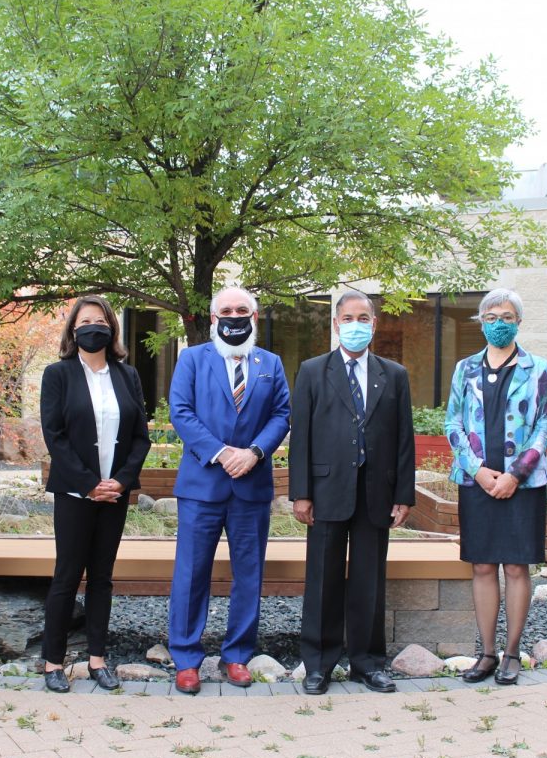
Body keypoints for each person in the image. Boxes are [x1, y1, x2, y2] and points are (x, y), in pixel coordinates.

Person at [289, 289, 416, 694]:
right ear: (335, 324)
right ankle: (319, 664)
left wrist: (405, 494)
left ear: (374, 324)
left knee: (368, 579)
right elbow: (301, 437)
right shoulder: (312, 370)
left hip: (376, 491)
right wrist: (301, 493)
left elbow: (403, 439)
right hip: (327, 490)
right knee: (322, 578)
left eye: (364, 318)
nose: (356, 325)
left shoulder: (393, 374)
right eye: (348, 318)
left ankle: (366, 662)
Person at [167, 287, 291, 694]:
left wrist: (254, 452)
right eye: (226, 310)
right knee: (191, 573)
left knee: (249, 575)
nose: (234, 315)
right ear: (214, 316)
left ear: (254, 317)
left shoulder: (270, 363)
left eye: (242, 309)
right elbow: (180, 412)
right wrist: (221, 453)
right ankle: (186, 658)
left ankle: (237, 655)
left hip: (251, 486)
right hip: (203, 484)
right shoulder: (192, 359)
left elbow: (281, 414)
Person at [38, 296, 151, 693]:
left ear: (111, 329)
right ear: (73, 329)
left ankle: (97, 660)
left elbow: (141, 437)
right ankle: (53, 663)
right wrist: (89, 484)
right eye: (85, 321)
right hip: (75, 492)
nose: (93, 327)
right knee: (67, 576)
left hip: (115, 494)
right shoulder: (58, 374)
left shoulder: (127, 375)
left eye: (100, 321)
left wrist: (120, 481)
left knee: (102, 578)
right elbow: (55, 435)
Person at [445, 288, 547, 686]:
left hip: (522, 485)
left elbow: (546, 424)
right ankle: (487, 653)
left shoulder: (538, 368)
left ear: (519, 321)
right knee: (483, 565)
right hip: (477, 483)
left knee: (516, 565)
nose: (498, 324)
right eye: (490, 317)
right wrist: (477, 470)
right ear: (481, 321)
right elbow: (452, 423)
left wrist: (515, 475)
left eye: (506, 317)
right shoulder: (465, 369)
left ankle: (512, 653)